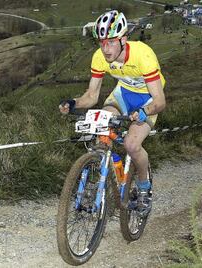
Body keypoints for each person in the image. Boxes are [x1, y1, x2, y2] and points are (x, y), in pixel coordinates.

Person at [59, 10, 166, 216]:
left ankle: (144, 189)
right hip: (123, 95)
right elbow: (91, 96)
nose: (105, 49)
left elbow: (160, 102)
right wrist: (73, 103)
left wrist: (144, 112)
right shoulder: (99, 57)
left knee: (132, 145)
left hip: (148, 99)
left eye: (110, 42)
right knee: (102, 129)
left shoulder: (143, 55)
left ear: (123, 39)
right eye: (101, 42)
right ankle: (105, 173)